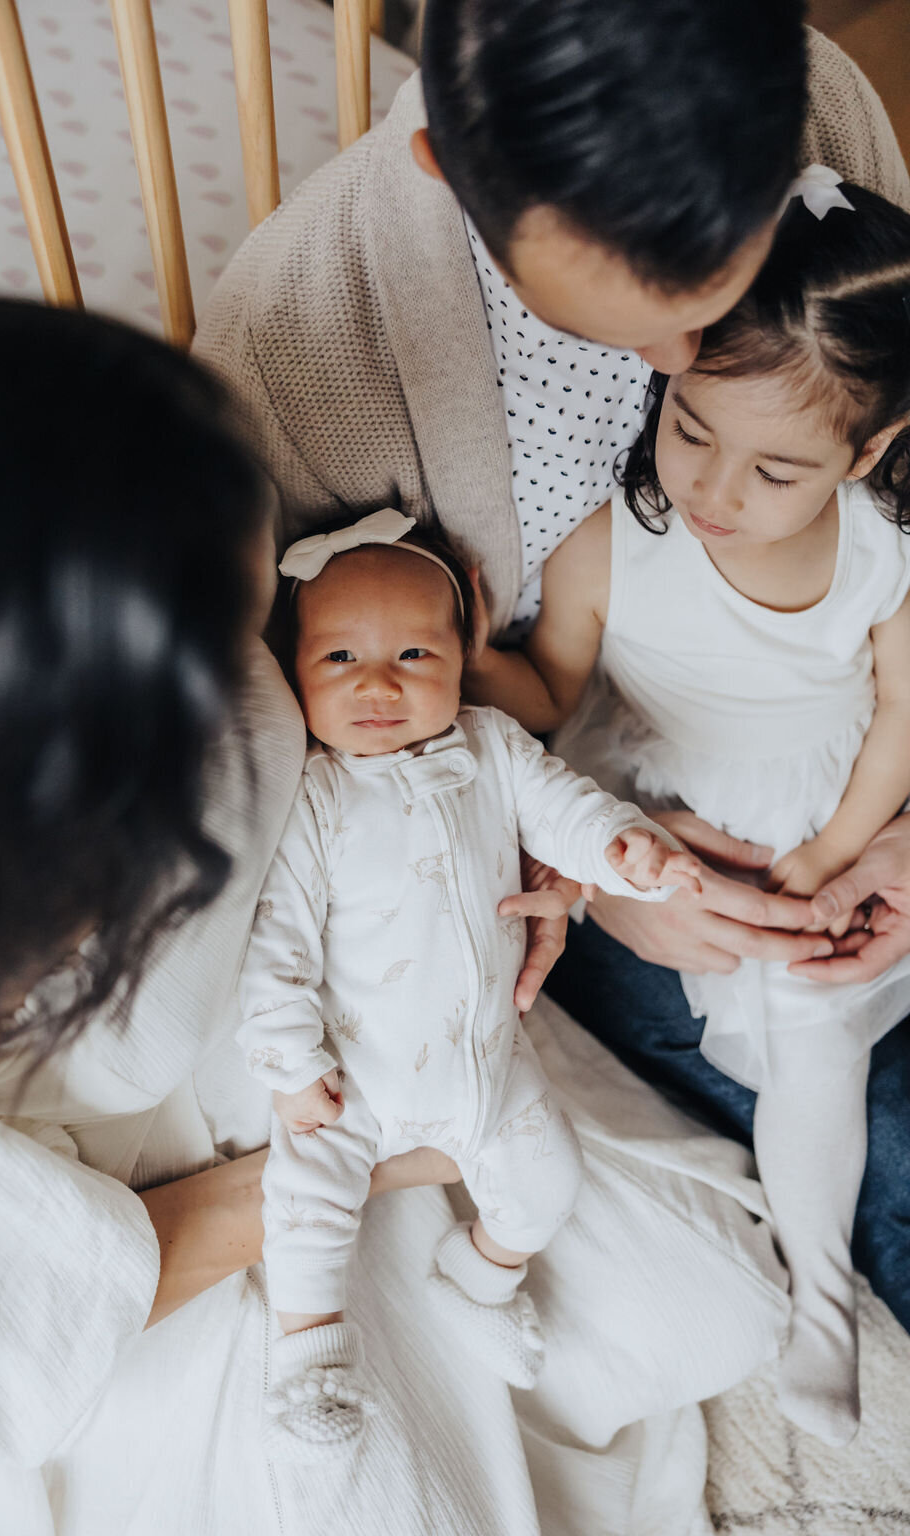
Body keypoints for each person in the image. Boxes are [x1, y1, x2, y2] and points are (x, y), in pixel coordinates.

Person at [0, 294, 793, 1536]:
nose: (254, 659)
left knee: (706, 1302)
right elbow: (19, 1312)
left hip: (358, 1015)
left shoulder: (222, 684)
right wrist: (391, 1140)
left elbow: (405, 771)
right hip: (179, 1215)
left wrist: (540, 870)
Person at [192, 0, 910, 1328]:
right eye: (629, 321)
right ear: (453, 181)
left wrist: (898, 832)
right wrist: (589, 868)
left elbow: (886, 467)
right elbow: (310, 749)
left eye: (716, 292)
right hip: (543, 827)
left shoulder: (819, 116)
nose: (677, 369)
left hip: (835, 758)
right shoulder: (299, 350)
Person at [464, 175, 910, 1444]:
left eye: (776, 469)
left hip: (825, 806)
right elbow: (549, 688)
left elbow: (898, 722)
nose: (714, 488)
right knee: (766, 997)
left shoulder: (878, 552)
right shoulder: (613, 543)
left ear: (866, 454)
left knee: (818, 1017)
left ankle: (822, 1299)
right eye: (692, 428)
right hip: (661, 791)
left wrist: (830, 855)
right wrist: (458, 652)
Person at [237, 512, 696, 1458]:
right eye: (338, 661)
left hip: (488, 1065)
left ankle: (479, 1277)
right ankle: (310, 1361)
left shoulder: (492, 747)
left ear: (463, 656)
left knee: (547, 1181)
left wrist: (622, 850)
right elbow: (274, 939)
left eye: (412, 652)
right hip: (352, 1083)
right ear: (293, 672)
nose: (378, 683)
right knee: (306, 1206)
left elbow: (566, 813)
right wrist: (290, 1063)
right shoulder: (317, 796)